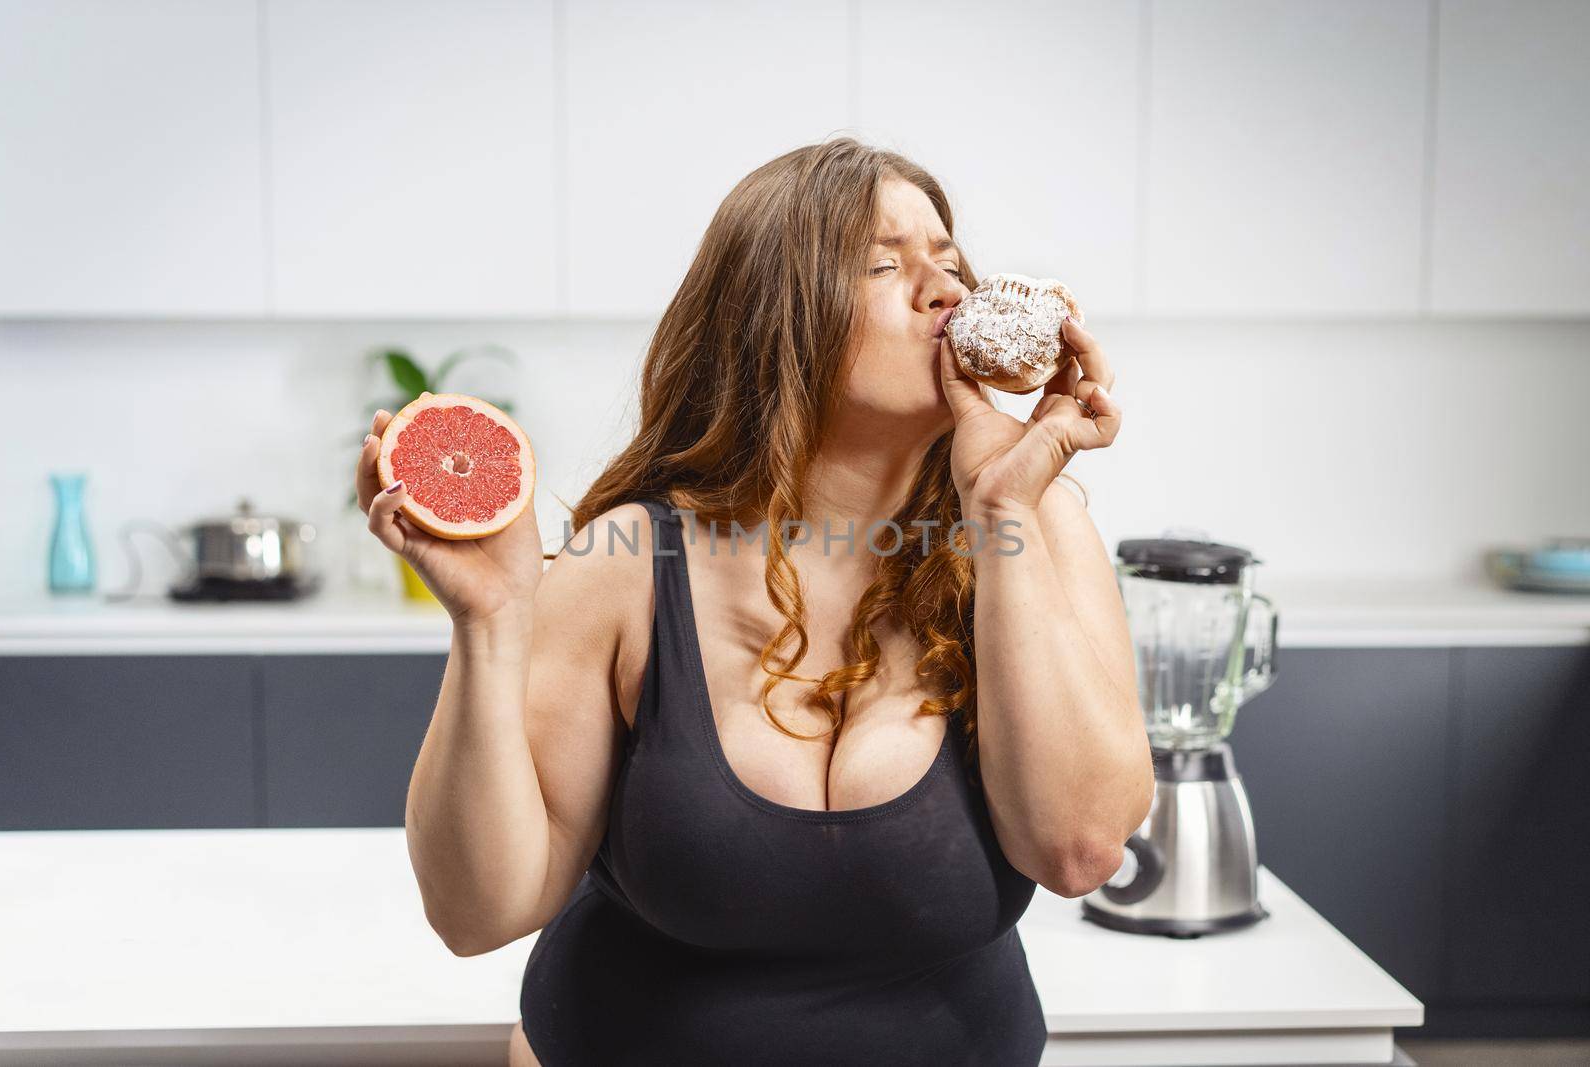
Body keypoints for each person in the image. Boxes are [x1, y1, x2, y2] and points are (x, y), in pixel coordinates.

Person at [355, 137, 1154, 1066]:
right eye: (883, 263)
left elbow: (1079, 850)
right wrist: (491, 624)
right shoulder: (627, 559)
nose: (947, 291)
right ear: (776, 318)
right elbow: (477, 912)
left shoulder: (1033, 526)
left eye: (950, 262)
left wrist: (1001, 503)